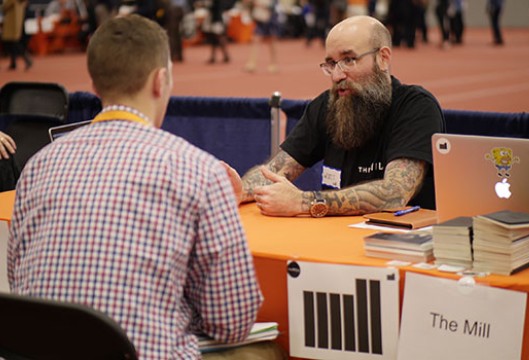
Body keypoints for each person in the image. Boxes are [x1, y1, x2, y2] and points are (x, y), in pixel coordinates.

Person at [8, 14, 268, 359]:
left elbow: (18, 282)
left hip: (40, 351)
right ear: (160, 81)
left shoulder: (39, 164)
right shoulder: (197, 170)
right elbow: (231, 322)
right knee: (262, 352)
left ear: (96, 85)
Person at [228, 15, 444, 217]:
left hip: (401, 245)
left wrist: (305, 202)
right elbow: (275, 171)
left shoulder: (416, 106)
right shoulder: (327, 104)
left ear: (383, 58)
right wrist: (241, 191)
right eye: (331, 63)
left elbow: (395, 193)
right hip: (336, 238)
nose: (337, 75)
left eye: (349, 60)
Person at [244, 0, 279, 73]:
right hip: (261, 17)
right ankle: (252, 63)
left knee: (271, 41)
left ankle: (274, 63)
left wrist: (261, 4)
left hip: (270, 17)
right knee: (256, 39)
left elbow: (273, 5)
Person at [1, 0, 33, 70]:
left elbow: (6, 6)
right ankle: (14, 62)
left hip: (11, 19)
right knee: (12, 42)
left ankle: (26, 58)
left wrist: (3, 6)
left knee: (13, 42)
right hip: (16, 18)